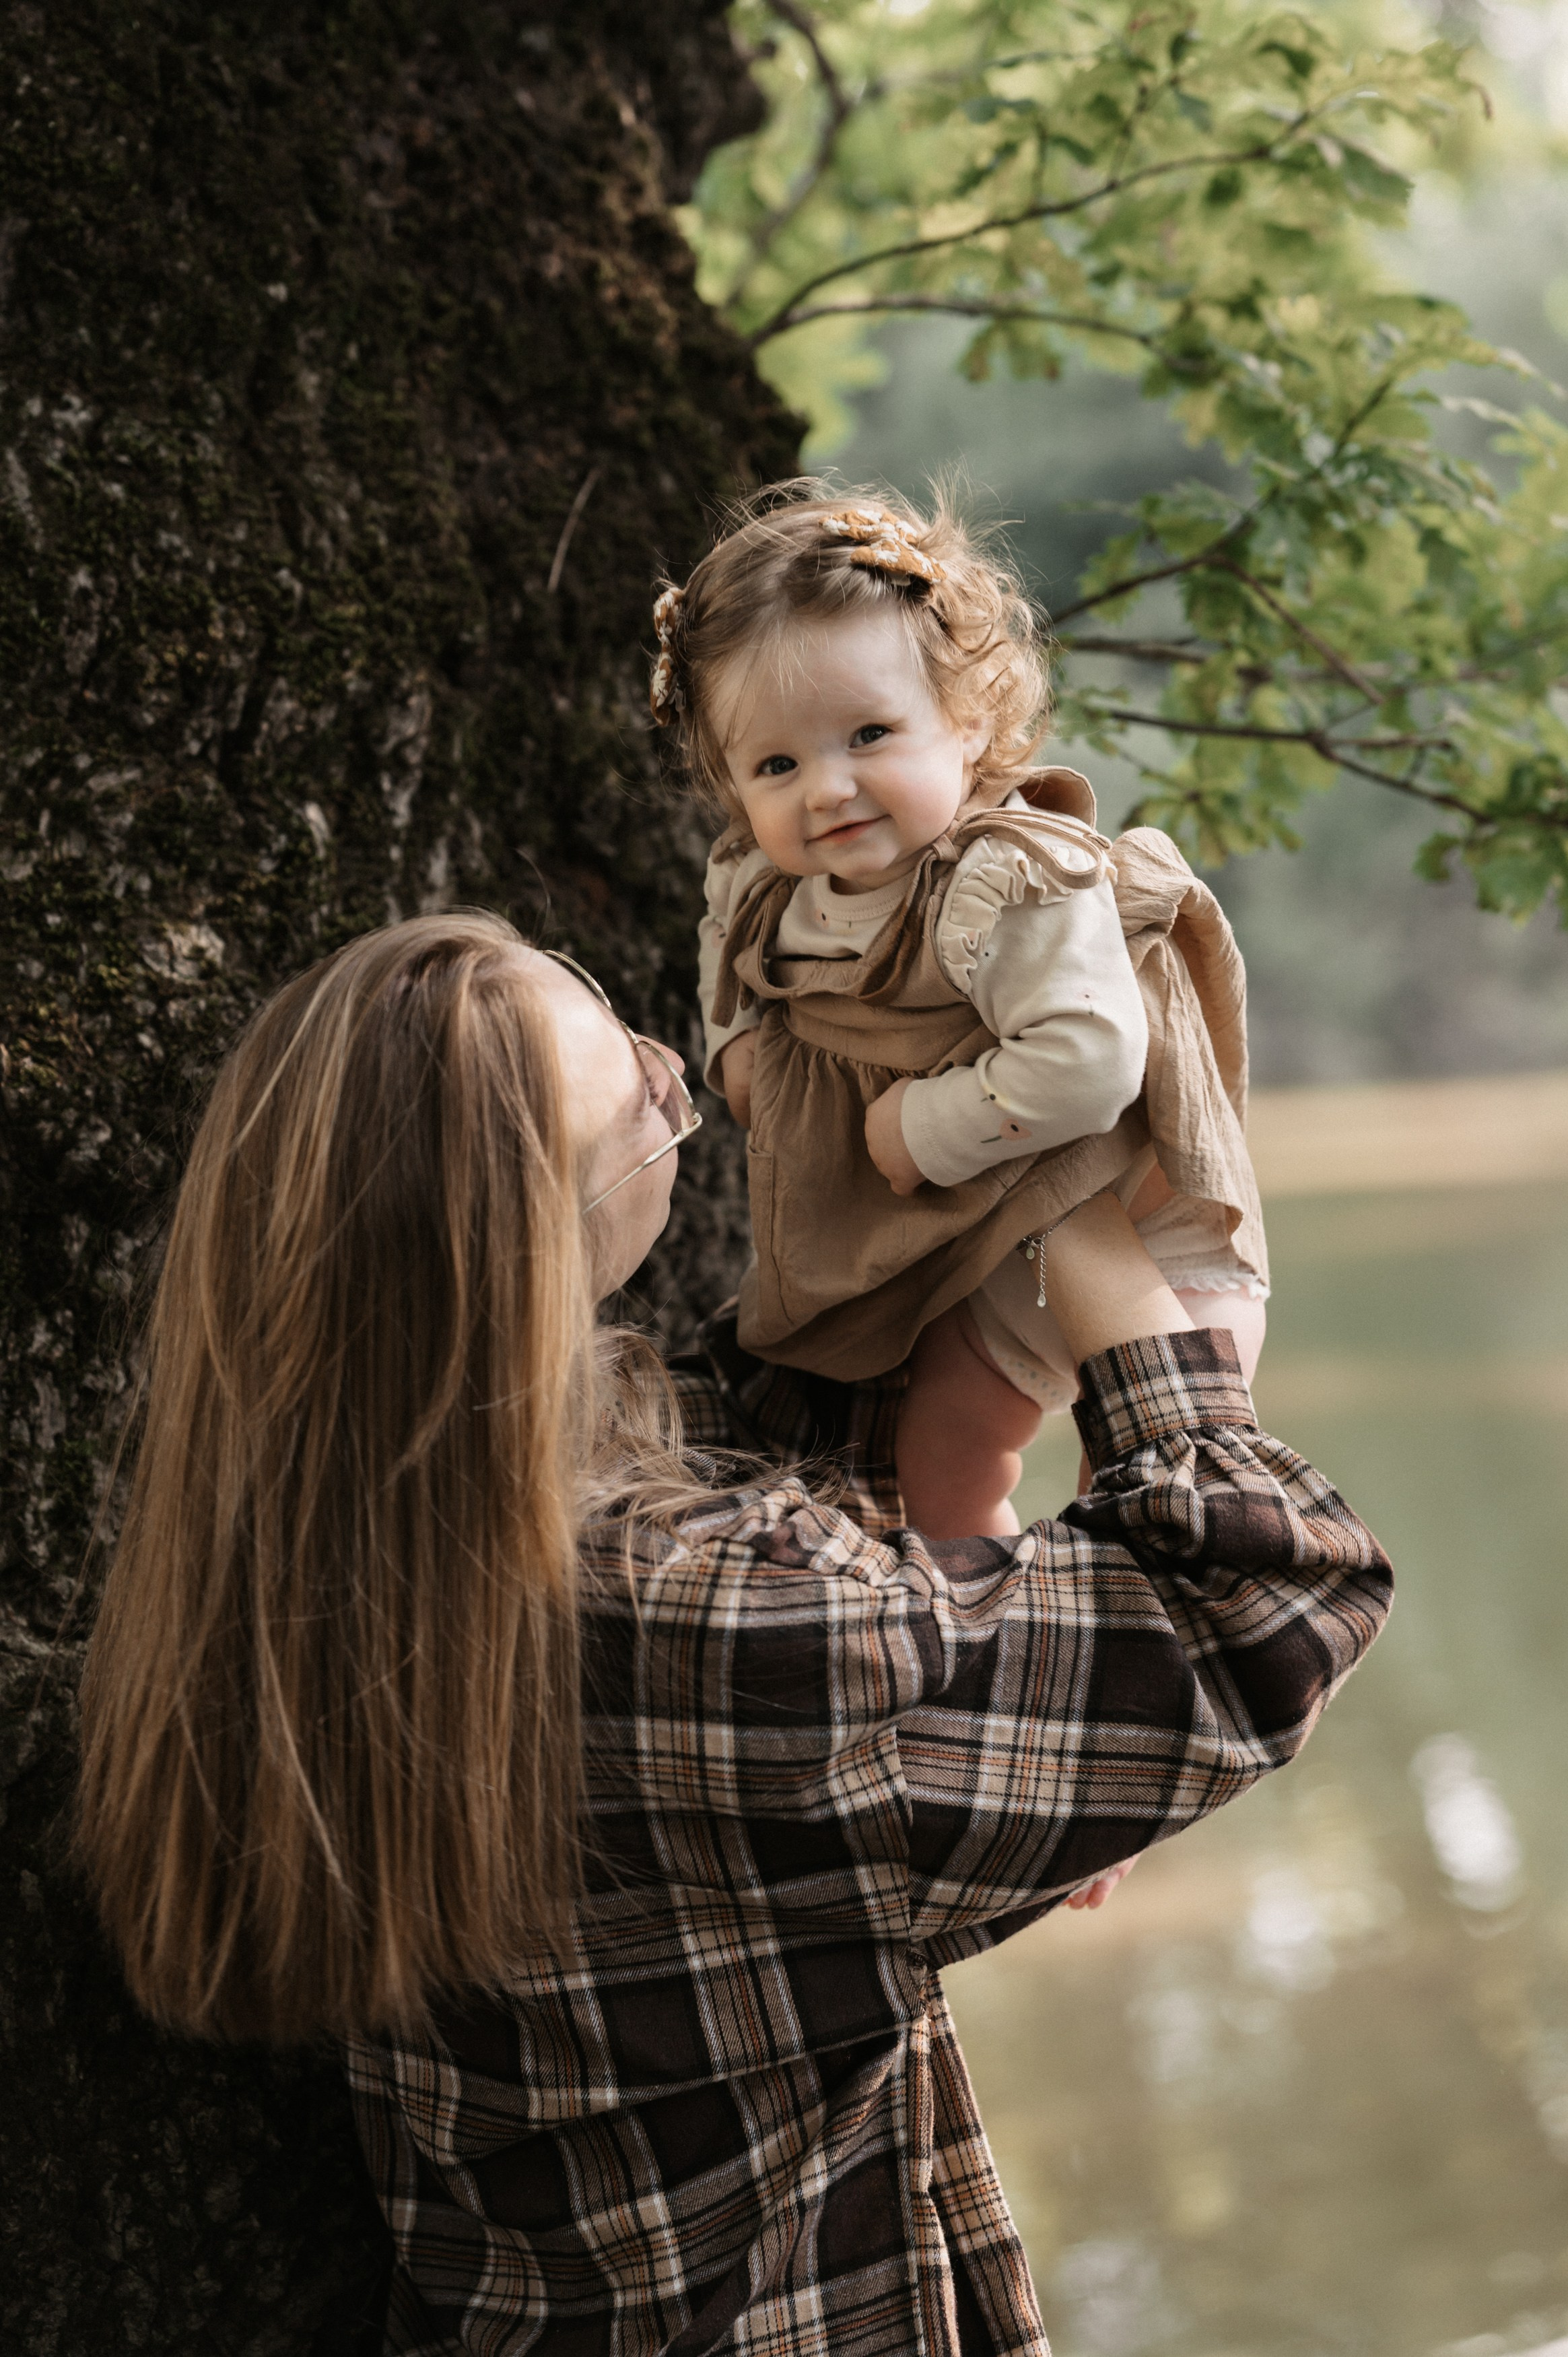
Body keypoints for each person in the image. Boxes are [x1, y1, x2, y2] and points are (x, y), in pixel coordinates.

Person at [75, 912, 1391, 2357]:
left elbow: (783, 1415)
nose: (669, 1068)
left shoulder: (304, 1530)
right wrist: (1076, 1211)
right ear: (532, 1250)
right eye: (640, 1099)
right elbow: (1252, 1598)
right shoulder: (682, 1618)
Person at [659, 484, 1269, 1537]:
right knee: (942, 1465)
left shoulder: (1006, 881)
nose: (826, 788)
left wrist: (924, 1123)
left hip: (1133, 1232)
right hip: (973, 1257)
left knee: (1154, 1475)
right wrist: (738, 1044)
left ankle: (1136, 1609)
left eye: (868, 733)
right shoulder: (758, 876)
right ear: (729, 781)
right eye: (776, 764)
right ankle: (974, 1611)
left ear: (968, 719)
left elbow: (1090, 1059)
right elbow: (727, 942)